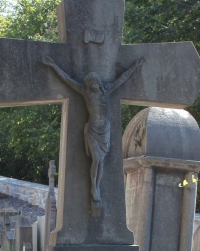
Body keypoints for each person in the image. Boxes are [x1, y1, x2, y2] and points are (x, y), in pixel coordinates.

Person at [42, 55, 144, 206]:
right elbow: (68, 80)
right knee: (96, 159)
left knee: (101, 161)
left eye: (93, 82)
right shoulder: (85, 92)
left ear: (98, 82)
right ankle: (93, 188)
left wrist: (135, 66)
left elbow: (122, 79)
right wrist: (53, 65)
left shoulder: (106, 90)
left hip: (104, 130)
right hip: (92, 130)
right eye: (89, 83)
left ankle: (97, 186)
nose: (91, 85)